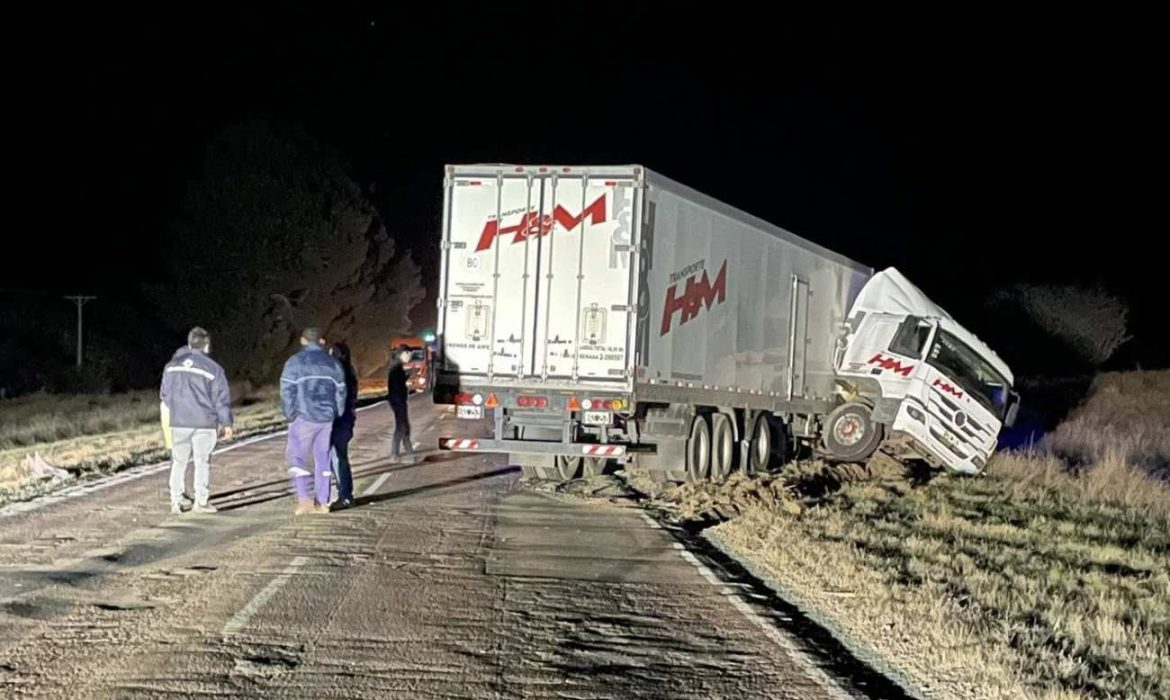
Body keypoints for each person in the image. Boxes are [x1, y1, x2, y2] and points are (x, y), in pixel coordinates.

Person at [160, 327, 234, 515]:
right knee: (202, 461)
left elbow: (165, 395)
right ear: (206, 345)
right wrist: (226, 423)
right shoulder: (214, 369)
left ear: (189, 342)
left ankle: (175, 501)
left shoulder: (171, 366)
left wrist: (177, 409)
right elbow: (221, 399)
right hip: (204, 422)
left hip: (179, 421)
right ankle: (200, 502)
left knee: (178, 461)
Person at [280, 327, 347, 515]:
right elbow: (341, 391)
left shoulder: (294, 363)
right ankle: (322, 501)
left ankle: (304, 500)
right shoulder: (333, 364)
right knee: (322, 458)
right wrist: (336, 412)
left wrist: (290, 414)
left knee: (297, 458)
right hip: (326, 419)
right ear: (322, 342)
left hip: (303, 417)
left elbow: (286, 391)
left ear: (303, 341)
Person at [329, 341, 358, 510]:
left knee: (338, 458)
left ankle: (346, 496)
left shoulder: (340, 372)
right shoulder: (348, 370)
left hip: (339, 421)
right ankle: (344, 493)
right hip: (345, 420)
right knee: (338, 457)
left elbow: (339, 398)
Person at [388, 345, 415, 462]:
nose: (409, 357)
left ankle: (398, 453)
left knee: (402, 427)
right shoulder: (396, 369)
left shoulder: (397, 368)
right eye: (408, 354)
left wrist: (407, 376)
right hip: (398, 402)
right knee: (403, 427)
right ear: (402, 354)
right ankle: (406, 453)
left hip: (398, 401)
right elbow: (395, 387)